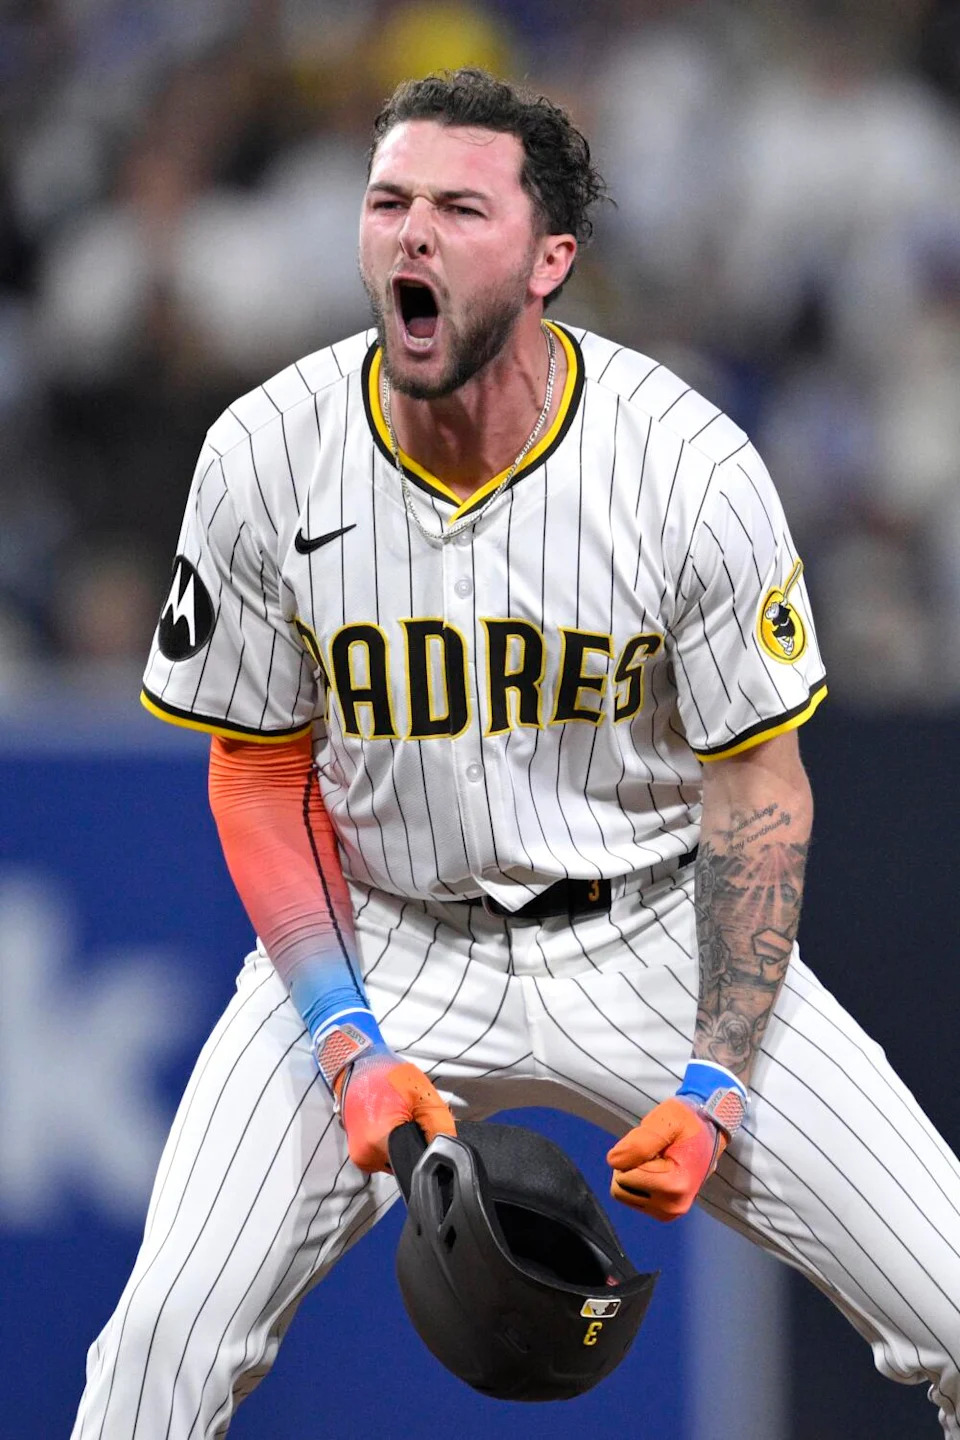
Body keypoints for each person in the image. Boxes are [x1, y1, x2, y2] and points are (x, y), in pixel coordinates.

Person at [72, 68, 960, 1438]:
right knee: (155, 1357)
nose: (411, 234)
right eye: (388, 202)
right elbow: (256, 773)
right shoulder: (267, 456)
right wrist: (345, 1037)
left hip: (657, 933)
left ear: (551, 258)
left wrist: (719, 1072)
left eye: (457, 208)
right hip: (385, 934)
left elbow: (759, 785)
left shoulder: (682, 466)